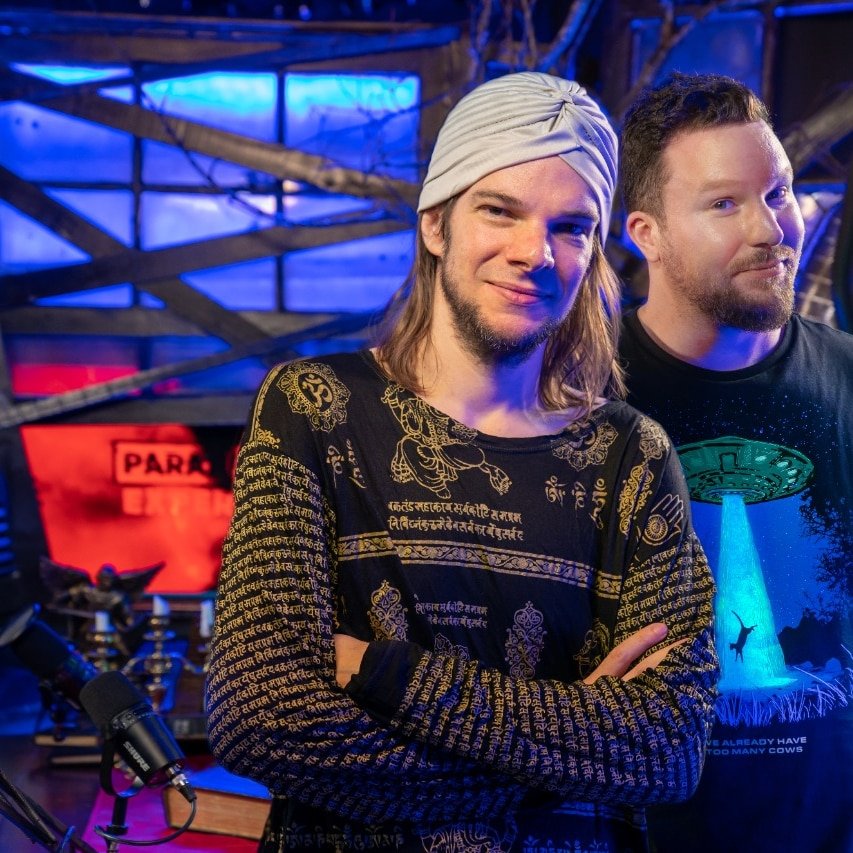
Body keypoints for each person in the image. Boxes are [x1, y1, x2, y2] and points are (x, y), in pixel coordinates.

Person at [205, 71, 718, 853]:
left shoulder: (629, 455)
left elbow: (665, 748)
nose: (533, 253)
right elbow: (260, 716)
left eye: (571, 226)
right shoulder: (313, 407)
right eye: (499, 210)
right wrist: (562, 755)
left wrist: (386, 675)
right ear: (435, 223)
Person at [618, 71, 853, 853]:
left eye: (777, 192)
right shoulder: (577, 394)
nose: (770, 228)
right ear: (646, 233)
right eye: (723, 203)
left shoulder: (848, 380)